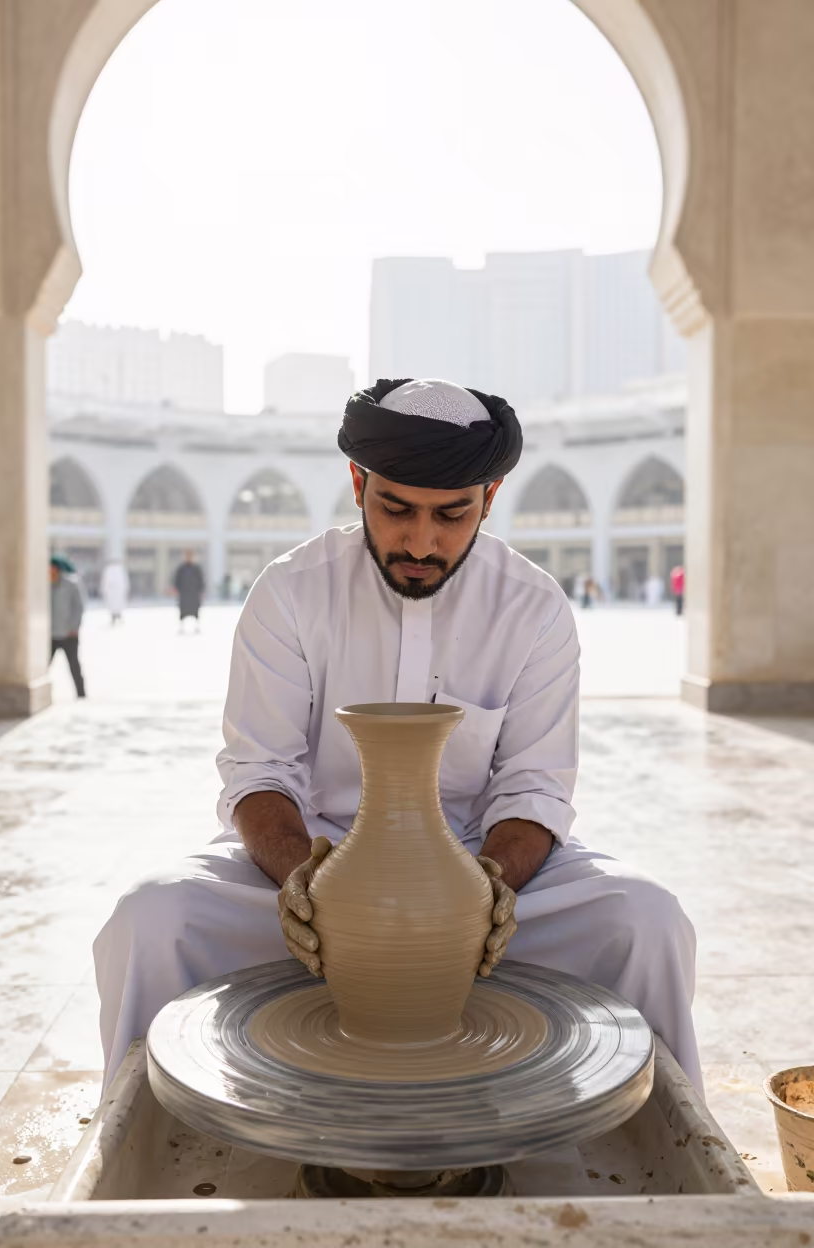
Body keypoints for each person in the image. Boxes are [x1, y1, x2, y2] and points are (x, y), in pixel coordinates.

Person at [94, 378, 701, 1095]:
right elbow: (259, 773)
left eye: (451, 514)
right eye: (396, 508)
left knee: (648, 921)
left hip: (485, 881)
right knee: (151, 917)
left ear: (491, 498)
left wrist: (487, 890)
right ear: (358, 483)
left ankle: (661, 1173)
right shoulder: (291, 593)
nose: (422, 540)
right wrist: (305, 883)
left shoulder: (532, 607)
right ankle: (146, 1148)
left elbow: (535, 785)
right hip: (307, 882)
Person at [49, 555, 85, 698]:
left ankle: (81, 694)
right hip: (51, 634)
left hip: (69, 634)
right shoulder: (46, 584)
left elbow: (78, 607)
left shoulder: (71, 584)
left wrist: (74, 627)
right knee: (42, 667)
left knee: (74, 666)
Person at [173, 550, 205, 631]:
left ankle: (197, 626)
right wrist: (176, 589)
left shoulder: (196, 569)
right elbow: (177, 580)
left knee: (195, 609)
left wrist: (201, 590)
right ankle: (181, 626)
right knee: (183, 610)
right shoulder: (181, 569)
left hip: (194, 594)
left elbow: (200, 581)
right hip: (184, 594)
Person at [100, 560, 129, 625]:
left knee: (118, 604)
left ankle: (118, 615)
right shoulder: (109, 570)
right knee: (113, 605)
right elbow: (105, 582)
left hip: (118, 592)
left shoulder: (120, 570)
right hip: (112, 593)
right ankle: (114, 616)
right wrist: (105, 590)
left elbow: (124, 582)